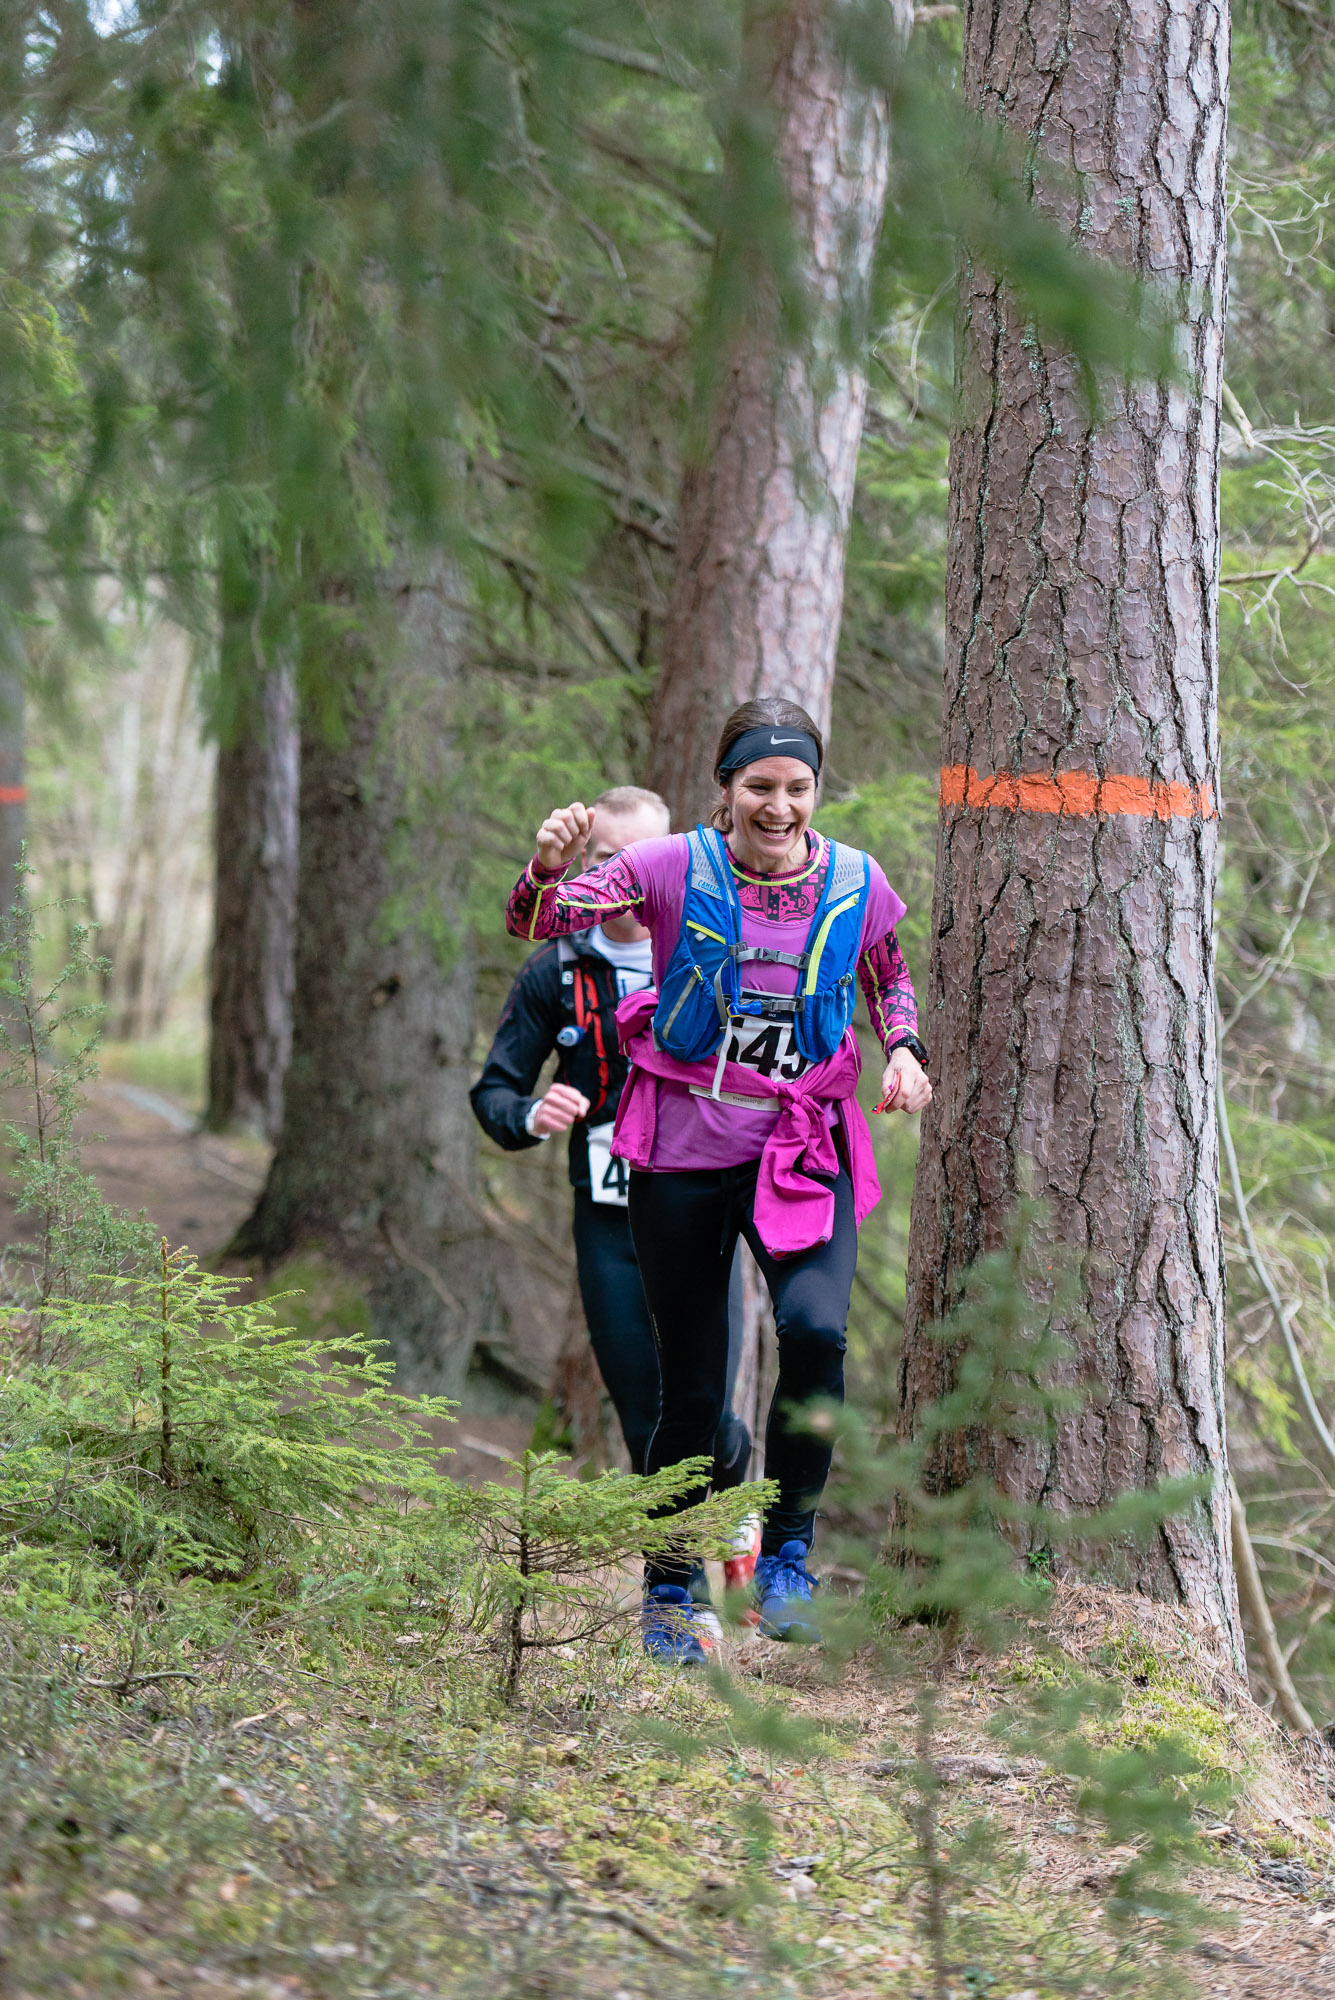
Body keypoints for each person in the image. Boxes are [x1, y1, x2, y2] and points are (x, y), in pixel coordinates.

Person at [505, 698, 932, 1663]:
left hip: (800, 1149)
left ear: (815, 791)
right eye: (758, 787)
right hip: (684, 1153)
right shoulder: (668, 867)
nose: (778, 807)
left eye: (796, 788)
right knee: (691, 1390)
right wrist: (547, 864)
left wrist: (902, 1047)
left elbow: (886, 971)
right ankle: (668, 1588)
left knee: (817, 1336)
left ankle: (786, 1559)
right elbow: (533, 921)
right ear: (725, 789)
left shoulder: (855, 879)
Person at [473, 786, 759, 1626]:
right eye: (607, 862)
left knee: (708, 1419)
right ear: (591, 867)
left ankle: (735, 1496)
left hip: (704, 1206)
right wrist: (531, 1115)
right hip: (608, 1219)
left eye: (642, 860)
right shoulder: (557, 969)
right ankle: (677, 1606)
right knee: (647, 1414)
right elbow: (494, 1088)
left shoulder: (707, 950)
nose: (626, 878)